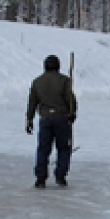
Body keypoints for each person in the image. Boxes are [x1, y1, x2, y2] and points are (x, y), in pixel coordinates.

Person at [26, 55, 77, 188]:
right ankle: (60, 175)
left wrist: (29, 119)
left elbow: (32, 102)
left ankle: (40, 178)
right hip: (61, 119)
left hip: (45, 120)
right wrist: (72, 113)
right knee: (64, 148)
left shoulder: (37, 82)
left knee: (43, 149)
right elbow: (70, 99)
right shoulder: (64, 81)